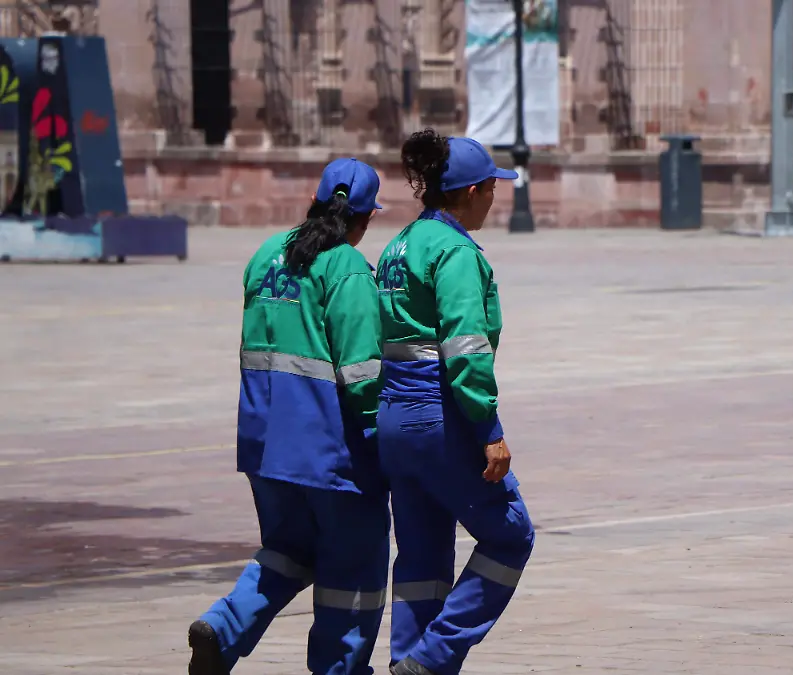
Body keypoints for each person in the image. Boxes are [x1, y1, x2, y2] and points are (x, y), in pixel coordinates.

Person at [188, 158, 391, 675]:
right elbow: (364, 373)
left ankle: (224, 626)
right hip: (331, 456)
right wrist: (385, 445)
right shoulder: (345, 268)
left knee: (288, 549)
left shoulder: (265, 255)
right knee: (354, 568)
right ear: (363, 218)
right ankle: (337, 669)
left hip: (264, 445)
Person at [374, 128, 535, 675]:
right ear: (471, 192)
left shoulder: (400, 245)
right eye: (493, 188)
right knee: (511, 536)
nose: (496, 197)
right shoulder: (455, 252)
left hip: (395, 418)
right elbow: (465, 348)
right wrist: (489, 429)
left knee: (422, 556)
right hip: (439, 416)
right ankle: (434, 658)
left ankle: (407, 663)